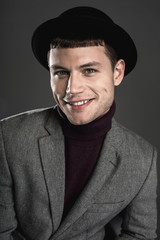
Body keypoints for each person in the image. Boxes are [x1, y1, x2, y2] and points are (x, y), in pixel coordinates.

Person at [0, 6, 157, 240]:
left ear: (117, 73)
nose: (72, 89)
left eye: (89, 70)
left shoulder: (143, 159)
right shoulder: (7, 136)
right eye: (61, 73)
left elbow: (140, 235)